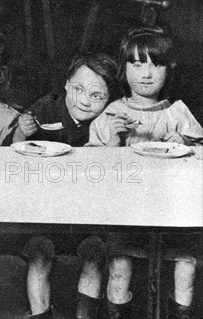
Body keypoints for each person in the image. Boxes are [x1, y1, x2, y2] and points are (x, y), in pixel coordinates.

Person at [88, 26, 203, 319]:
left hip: (173, 218)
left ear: (169, 69)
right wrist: (114, 141)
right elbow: (92, 171)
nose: (147, 73)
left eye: (156, 63)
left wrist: (186, 144)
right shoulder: (113, 113)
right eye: (137, 64)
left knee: (186, 268)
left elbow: (199, 164)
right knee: (119, 268)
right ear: (124, 69)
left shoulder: (177, 113)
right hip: (126, 215)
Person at [16, 52, 120, 319]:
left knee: (95, 253)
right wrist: (22, 131)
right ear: (66, 84)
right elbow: (13, 158)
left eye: (97, 96)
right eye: (78, 89)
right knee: (39, 254)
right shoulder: (45, 109)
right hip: (45, 212)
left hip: (89, 215)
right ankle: (40, 314)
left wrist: (114, 144)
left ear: (109, 99)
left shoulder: (112, 120)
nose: (85, 101)